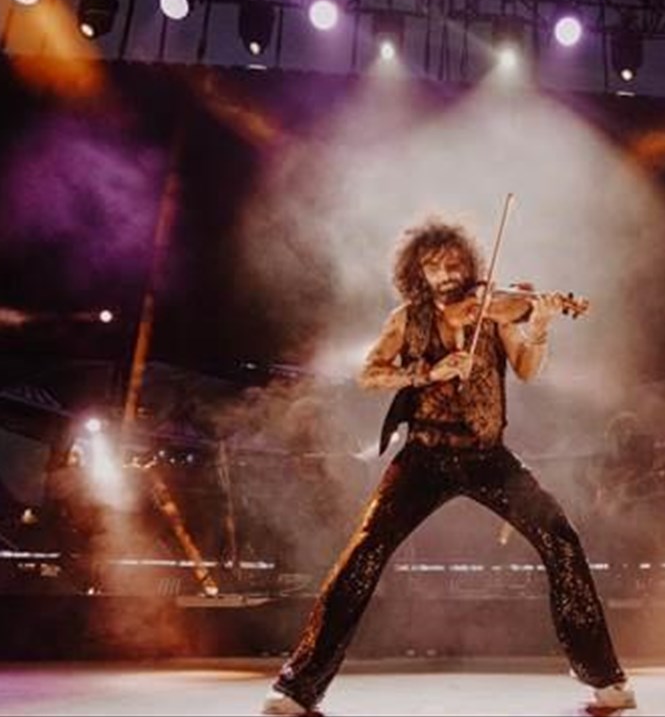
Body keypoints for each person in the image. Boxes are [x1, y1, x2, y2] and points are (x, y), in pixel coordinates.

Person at [262, 219, 635, 715]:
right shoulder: (406, 319)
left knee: (560, 539)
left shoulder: (495, 312)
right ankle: (298, 687)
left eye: (454, 264)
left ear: (469, 264)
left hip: (487, 457)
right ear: (418, 271)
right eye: (434, 266)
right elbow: (370, 375)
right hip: (424, 457)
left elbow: (527, 370)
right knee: (363, 554)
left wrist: (541, 325)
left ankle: (605, 678)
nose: (445, 273)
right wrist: (427, 372)